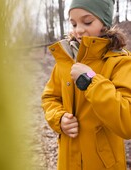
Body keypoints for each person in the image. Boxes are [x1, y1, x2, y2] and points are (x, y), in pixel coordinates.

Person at [41, 0, 131, 169]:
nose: (79, 30)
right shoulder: (64, 60)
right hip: (68, 162)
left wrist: (90, 79)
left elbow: (127, 120)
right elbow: (50, 98)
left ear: (104, 24)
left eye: (87, 22)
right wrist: (59, 118)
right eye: (74, 23)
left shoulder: (121, 62)